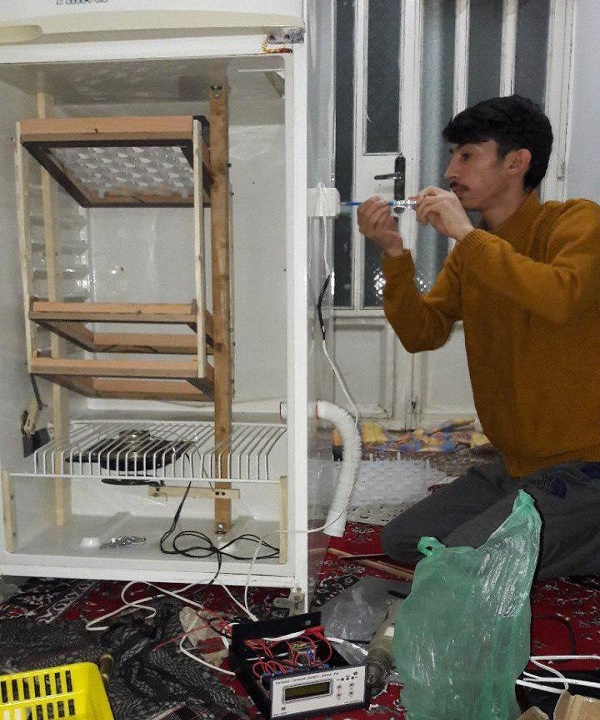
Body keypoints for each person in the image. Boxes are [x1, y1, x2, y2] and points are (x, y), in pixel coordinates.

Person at [357, 94, 600, 579]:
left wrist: (467, 235)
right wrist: (393, 252)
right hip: (516, 464)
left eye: (467, 155)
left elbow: (560, 297)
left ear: (516, 162)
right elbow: (421, 332)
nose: (450, 171)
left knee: (464, 559)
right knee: (403, 540)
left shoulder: (577, 222)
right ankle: (541, 529)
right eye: (452, 156)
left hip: (585, 464)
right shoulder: (472, 255)